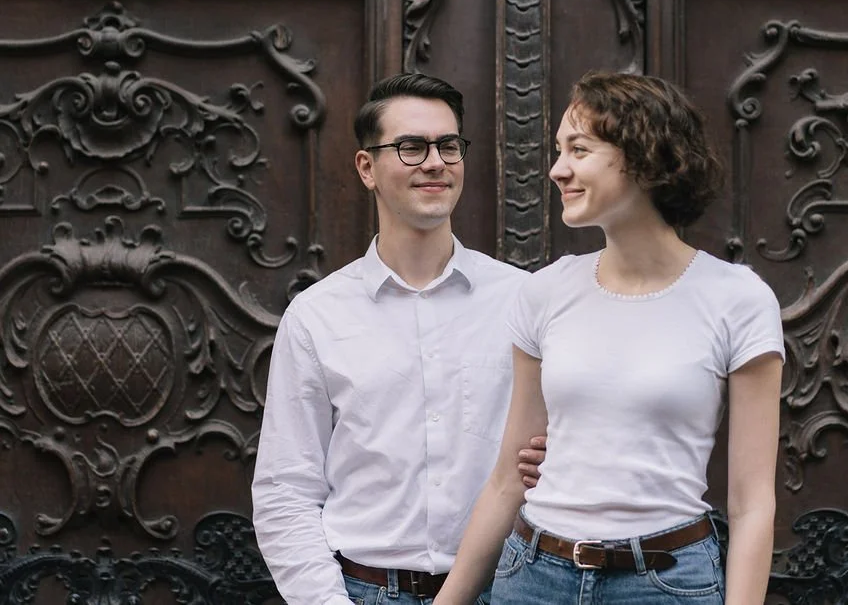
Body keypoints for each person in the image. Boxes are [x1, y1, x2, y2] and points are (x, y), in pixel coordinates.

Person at [434, 71, 785, 605]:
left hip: (666, 582)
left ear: (645, 154)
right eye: (558, 150)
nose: (557, 169)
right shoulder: (545, 292)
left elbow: (752, 504)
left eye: (579, 149)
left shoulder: (737, 299)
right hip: (534, 577)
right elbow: (508, 478)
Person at [251, 73, 545, 605]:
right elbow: (285, 491)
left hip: (509, 588)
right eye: (411, 147)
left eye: (448, 145)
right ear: (367, 167)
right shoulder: (317, 316)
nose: (435, 162)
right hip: (365, 592)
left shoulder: (524, 301)